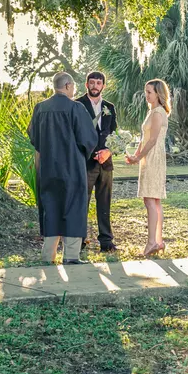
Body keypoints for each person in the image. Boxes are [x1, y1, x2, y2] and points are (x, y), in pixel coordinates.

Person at [28, 72, 97, 265]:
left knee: (51, 206)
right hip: (72, 166)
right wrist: (84, 154)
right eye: (73, 87)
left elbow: (34, 137)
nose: (74, 91)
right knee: (74, 206)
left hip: (48, 166)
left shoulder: (40, 108)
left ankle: (47, 255)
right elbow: (88, 139)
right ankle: (71, 256)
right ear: (67, 86)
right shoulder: (76, 108)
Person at [124, 78, 170, 257]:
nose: (146, 95)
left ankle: (153, 241)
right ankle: (158, 241)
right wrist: (136, 155)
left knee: (151, 200)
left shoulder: (158, 113)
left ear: (158, 93)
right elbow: (145, 138)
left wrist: (139, 157)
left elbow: (152, 140)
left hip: (153, 158)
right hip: (148, 157)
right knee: (153, 200)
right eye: (146, 92)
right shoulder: (152, 112)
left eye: (149, 92)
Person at [76, 71, 118, 253]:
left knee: (105, 202)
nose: (95, 86)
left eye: (98, 83)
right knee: (81, 202)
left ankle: (106, 242)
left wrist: (108, 152)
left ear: (103, 86)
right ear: (86, 84)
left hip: (106, 163)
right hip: (85, 163)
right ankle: (79, 241)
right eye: (92, 82)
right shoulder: (77, 105)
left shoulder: (110, 107)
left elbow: (114, 134)